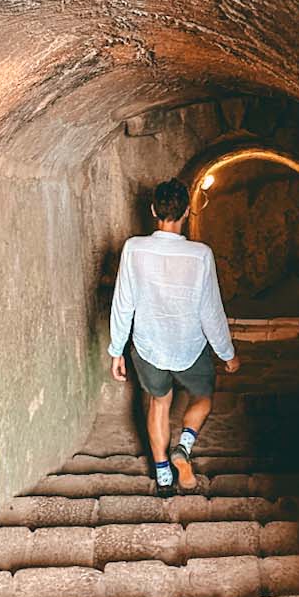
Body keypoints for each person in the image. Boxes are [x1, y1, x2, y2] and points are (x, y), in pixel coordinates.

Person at [108, 177, 239, 495]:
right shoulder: (200, 255)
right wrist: (227, 353)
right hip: (189, 347)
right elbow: (210, 310)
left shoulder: (134, 248)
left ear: (153, 209)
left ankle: (164, 476)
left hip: (148, 345)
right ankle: (184, 446)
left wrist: (116, 350)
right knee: (204, 399)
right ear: (187, 212)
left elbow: (124, 302)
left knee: (159, 403)